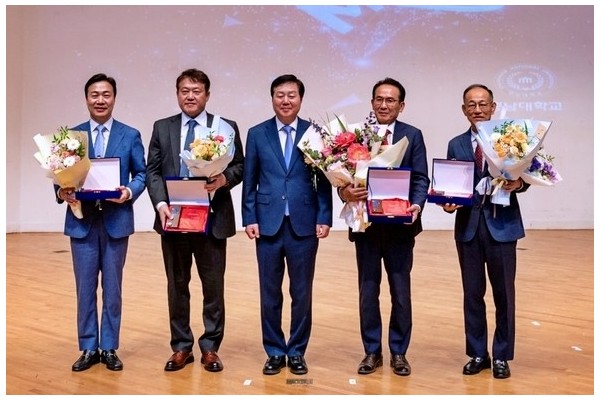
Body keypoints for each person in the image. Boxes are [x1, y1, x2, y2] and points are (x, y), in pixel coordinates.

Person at [145, 68, 244, 373]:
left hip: (212, 219)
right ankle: (181, 346)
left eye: (196, 91)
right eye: (184, 91)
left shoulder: (225, 127)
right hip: (174, 218)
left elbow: (239, 166)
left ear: (207, 95)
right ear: (177, 94)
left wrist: (223, 180)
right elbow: (153, 171)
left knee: (213, 287)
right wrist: (160, 203)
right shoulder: (162, 127)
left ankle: (210, 347)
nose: (190, 96)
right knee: (177, 285)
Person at [241, 74, 333, 375]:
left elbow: (324, 179)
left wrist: (324, 216)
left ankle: (296, 351)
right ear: (272, 98)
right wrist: (249, 217)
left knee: (302, 292)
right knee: (269, 292)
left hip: (304, 224)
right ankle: (274, 351)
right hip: (267, 223)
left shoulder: (314, 133)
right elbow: (250, 179)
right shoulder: (257, 133)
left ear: (300, 99)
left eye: (291, 95)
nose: (285, 100)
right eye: (279, 95)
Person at [339, 77, 429, 376]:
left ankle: (399, 352)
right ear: (371, 102)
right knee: (368, 290)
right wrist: (344, 192)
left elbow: (420, 178)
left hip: (401, 226)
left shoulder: (412, 135)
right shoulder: (357, 136)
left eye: (390, 100)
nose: (384, 104)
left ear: (401, 106)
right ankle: (372, 351)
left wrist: (416, 205)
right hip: (366, 225)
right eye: (379, 99)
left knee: (400, 291)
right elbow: (344, 179)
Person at [57, 73, 147, 372]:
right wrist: (62, 191)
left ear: (114, 98)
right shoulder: (72, 136)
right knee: (84, 289)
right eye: (94, 94)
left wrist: (128, 192)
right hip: (82, 222)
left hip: (115, 221)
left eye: (106, 94)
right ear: (86, 99)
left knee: (112, 289)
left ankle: (108, 347)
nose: (100, 100)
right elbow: (60, 175)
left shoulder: (130, 134)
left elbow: (141, 174)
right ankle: (87, 347)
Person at [441, 84, 528, 379]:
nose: (477, 109)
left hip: (502, 226)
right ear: (463, 109)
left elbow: (524, 177)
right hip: (468, 228)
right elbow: (451, 184)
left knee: (504, 294)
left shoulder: (510, 139)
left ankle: (502, 355)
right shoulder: (456, 144)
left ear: (493, 107)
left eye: (482, 104)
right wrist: (447, 203)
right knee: (472, 294)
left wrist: (519, 183)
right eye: (471, 105)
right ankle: (478, 353)